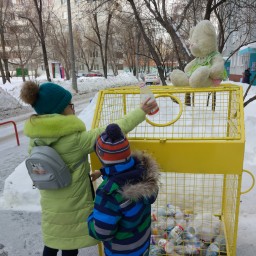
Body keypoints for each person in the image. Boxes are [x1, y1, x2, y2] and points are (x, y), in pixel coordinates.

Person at [19, 81, 158, 256]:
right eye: (70, 105)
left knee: (53, 242)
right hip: (72, 208)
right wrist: (142, 111)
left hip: (50, 205)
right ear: (60, 111)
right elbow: (113, 130)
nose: (73, 109)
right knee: (70, 246)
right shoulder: (75, 141)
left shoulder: (35, 139)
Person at [87, 123, 160, 256]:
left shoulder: (108, 194)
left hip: (121, 252)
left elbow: (102, 232)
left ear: (102, 158)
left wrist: (90, 218)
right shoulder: (144, 174)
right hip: (142, 247)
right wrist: (103, 172)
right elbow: (122, 169)